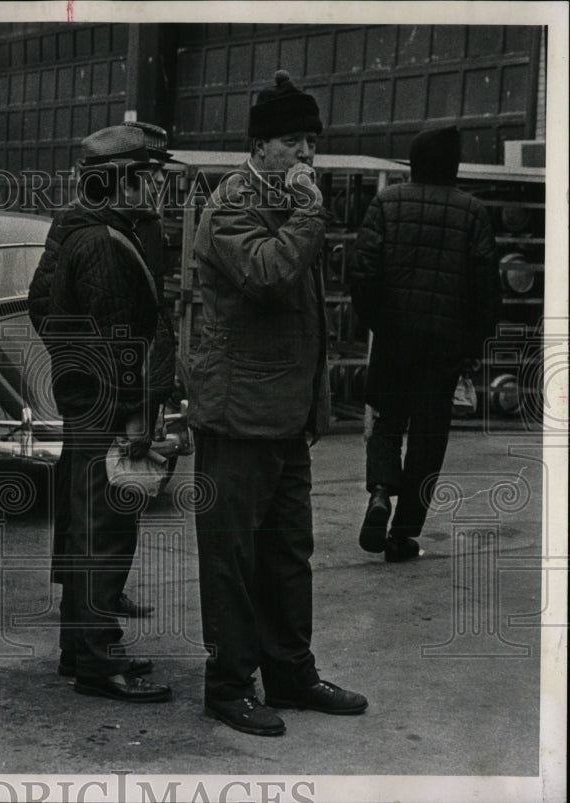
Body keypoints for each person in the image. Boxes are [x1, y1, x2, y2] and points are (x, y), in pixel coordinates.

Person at [188, 70, 367, 736]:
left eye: (310, 144)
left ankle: (290, 672)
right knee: (232, 558)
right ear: (260, 146)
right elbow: (268, 275)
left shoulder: (283, 201)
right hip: (236, 416)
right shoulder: (233, 203)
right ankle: (229, 684)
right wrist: (310, 212)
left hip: (284, 415)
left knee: (289, 551)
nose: (306, 157)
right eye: (293, 142)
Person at [27, 125, 172, 702]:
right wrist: (135, 416)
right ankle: (95, 659)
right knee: (102, 535)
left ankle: (83, 650)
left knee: (95, 527)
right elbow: (119, 345)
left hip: (93, 404)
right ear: (122, 181)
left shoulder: (103, 231)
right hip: (108, 412)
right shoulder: (104, 242)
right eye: (151, 176)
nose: (160, 185)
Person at [352, 125, 501, 562]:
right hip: (445, 347)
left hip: (394, 339)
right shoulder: (473, 212)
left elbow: (362, 273)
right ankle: (403, 534)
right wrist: (473, 345)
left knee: (386, 421)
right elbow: (487, 291)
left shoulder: (387, 202)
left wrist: (379, 321)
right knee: (428, 440)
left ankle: (380, 491)